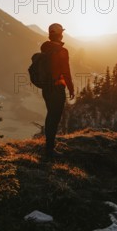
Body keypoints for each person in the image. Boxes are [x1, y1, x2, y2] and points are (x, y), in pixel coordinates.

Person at [40, 23, 74, 159]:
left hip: (46, 89)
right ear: (60, 34)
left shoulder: (45, 48)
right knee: (55, 117)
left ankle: (49, 145)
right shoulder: (61, 51)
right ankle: (49, 150)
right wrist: (71, 88)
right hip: (57, 88)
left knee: (50, 115)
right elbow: (66, 72)